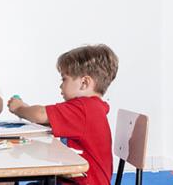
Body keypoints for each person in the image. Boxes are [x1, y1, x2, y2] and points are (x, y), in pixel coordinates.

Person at [8, 44, 119, 185]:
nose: (61, 86)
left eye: (64, 79)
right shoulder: (93, 107)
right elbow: (48, 119)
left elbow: (40, 114)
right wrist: (26, 108)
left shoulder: (83, 108)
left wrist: (19, 108)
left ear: (84, 82)